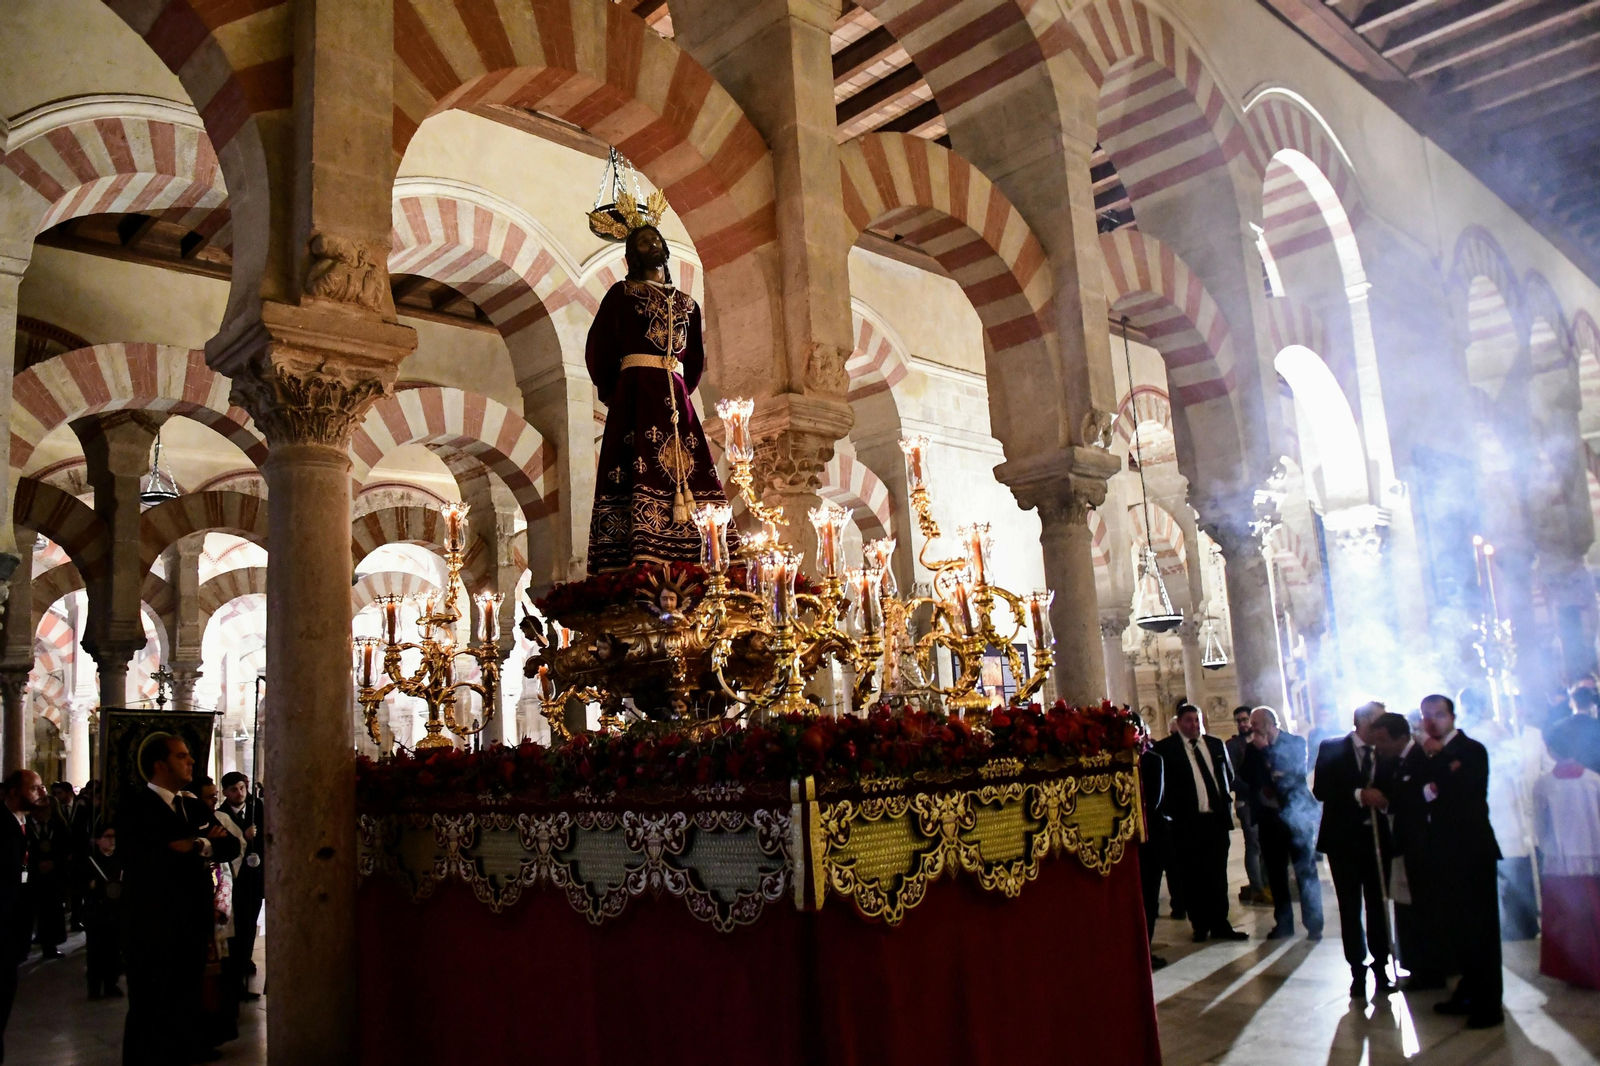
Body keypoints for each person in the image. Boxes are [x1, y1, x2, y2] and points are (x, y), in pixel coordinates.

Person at [585, 221, 738, 573]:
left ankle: (700, 544)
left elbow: (695, 358)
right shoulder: (622, 294)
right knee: (635, 459)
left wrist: (680, 388)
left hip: (675, 397)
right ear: (630, 256)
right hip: (635, 393)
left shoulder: (687, 303)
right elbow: (599, 347)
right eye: (642, 242)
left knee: (691, 465)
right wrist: (617, 391)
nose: (651, 245)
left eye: (655, 239)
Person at [120, 733, 241, 1065]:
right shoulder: (136, 806)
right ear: (160, 765)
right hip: (152, 928)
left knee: (186, 1007)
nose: (190, 761)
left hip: (192, 925)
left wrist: (198, 844)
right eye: (181, 756)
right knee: (150, 1010)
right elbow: (157, 859)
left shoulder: (189, 805)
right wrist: (200, 842)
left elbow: (230, 845)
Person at [1418, 694, 1503, 1028]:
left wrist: (1441, 761)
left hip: (1473, 852)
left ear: (1452, 716)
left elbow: (1465, 791)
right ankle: (1467, 992)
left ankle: (1489, 1004)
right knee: (1458, 931)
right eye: (1426, 716)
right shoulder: (1430, 754)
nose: (1432, 721)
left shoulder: (1470, 750)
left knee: (1481, 931)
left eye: (1438, 715)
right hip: (1444, 854)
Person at [1314, 701, 1394, 999]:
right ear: (1363, 722)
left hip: (1377, 840)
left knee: (1378, 905)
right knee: (1350, 907)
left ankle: (1382, 966)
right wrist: (1359, 794)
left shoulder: (1385, 752)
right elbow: (1321, 790)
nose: (1384, 728)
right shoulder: (1332, 748)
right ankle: (1356, 970)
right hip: (1343, 841)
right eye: (1379, 722)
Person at [1154, 703, 1247, 942]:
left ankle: (1220, 923)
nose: (1194, 725)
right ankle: (1200, 924)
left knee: (1218, 874)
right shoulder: (1167, 749)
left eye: (1197, 720)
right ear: (1179, 723)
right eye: (1189, 721)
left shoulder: (1215, 744)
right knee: (1192, 876)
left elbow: (1227, 775)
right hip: (1187, 823)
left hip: (1215, 820)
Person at [1368, 711, 1441, 990]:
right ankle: (1417, 964)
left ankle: (1431, 969)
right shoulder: (1389, 761)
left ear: (1402, 737)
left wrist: (1390, 803)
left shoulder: (1421, 758)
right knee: (1409, 905)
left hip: (1423, 844)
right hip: (1403, 843)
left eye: (1383, 741)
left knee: (1425, 909)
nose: (1379, 747)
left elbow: (1420, 799)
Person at [1242, 707, 1323, 941]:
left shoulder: (1295, 742)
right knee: (1276, 874)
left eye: (1255, 724)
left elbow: (1293, 773)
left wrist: (1267, 753)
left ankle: (1314, 923)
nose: (1251, 728)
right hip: (1269, 818)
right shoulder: (1251, 748)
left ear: (1268, 723)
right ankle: (1284, 923)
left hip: (1295, 815)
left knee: (1305, 870)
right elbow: (1247, 777)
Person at [1533, 724, 1600, 988]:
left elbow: (1541, 825)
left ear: (1550, 749)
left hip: (1560, 863)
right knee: (1593, 916)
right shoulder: (1595, 780)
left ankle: (1573, 970)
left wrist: (1547, 849)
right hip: (1594, 857)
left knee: (1567, 921)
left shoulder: (1544, 785)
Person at [0, 770, 46, 1064]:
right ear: (14, 792)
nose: (41, 792)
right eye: (35, 788)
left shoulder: (25, 821)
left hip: (14, 928)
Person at [218, 772, 263, 999]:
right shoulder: (221, 816)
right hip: (235, 883)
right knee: (237, 931)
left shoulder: (257, 811)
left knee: (250, 926)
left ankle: (245, 961)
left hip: (255, 881)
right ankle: (235, 979)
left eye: (242, 788)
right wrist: (244, 836)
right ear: (225, 792)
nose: (239, 793)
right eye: (233, 789)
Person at [1226, 706, 1268, 906]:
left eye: (1245, 719)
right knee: (1253, 844)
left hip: (1265, 800)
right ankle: (1258, 888)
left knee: (1266, 843)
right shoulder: (1234, 746)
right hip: (1247, 801)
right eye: (1239, 720)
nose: (1242, 724)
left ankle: (1267, 885)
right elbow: (1232, 775)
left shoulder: (1263, 739)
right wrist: (1253, 788)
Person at [1136, 736, 1169, 970]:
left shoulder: (1152, 760)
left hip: (1150, 837)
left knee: (1149, 897)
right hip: (1127, 842)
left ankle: (1145, 948)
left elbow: (1153, 800)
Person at [25, 789, 70, 960]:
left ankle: (50, 947)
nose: (46, 814)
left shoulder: (57, 825)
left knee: (52, 911)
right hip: (34, 874)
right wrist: (36, 865)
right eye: (42, 811)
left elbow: (65, 847)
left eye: (48, 811)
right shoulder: (27, 825)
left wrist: (54, 863)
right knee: (33, 911)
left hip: (54, 875)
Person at [81, 825, 124, 999]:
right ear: (98, 840)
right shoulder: (89, 861)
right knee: (95, 952)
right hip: (96, 913)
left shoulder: (120, 861)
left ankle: (111, 985)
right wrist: (91, 886)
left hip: (115, 912)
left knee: (113, 951)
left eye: (114, 836)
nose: (112, 840)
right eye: (107, 836)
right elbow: (80, 887)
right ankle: (94, 987)